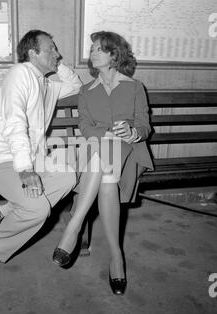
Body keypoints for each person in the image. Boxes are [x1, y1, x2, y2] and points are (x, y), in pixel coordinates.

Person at [0, 29, 82, 279]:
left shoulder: (47, 83)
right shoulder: (19, 74)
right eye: (51, 49)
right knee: (37, 209)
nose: (57, 53)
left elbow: (75, 85)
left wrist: (57, 63)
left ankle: (1, 214)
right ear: (33, 53)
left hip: (30, 159)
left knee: (67, 176)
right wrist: (26, 170)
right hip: (2, 159)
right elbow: (15, 124)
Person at [52, 31, 153, 295]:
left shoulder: (134, 87)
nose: (92, 53)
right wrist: (105, 134)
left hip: (128, 151)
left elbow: (144, 126)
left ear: (114, 54)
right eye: (92, 49)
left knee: (104, 163)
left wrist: (133, 132)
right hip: (97, 147)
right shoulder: (86, 90)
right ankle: (116, 257)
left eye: (99, 49)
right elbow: (84, 126)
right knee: (105, 172)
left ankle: (73, 228)